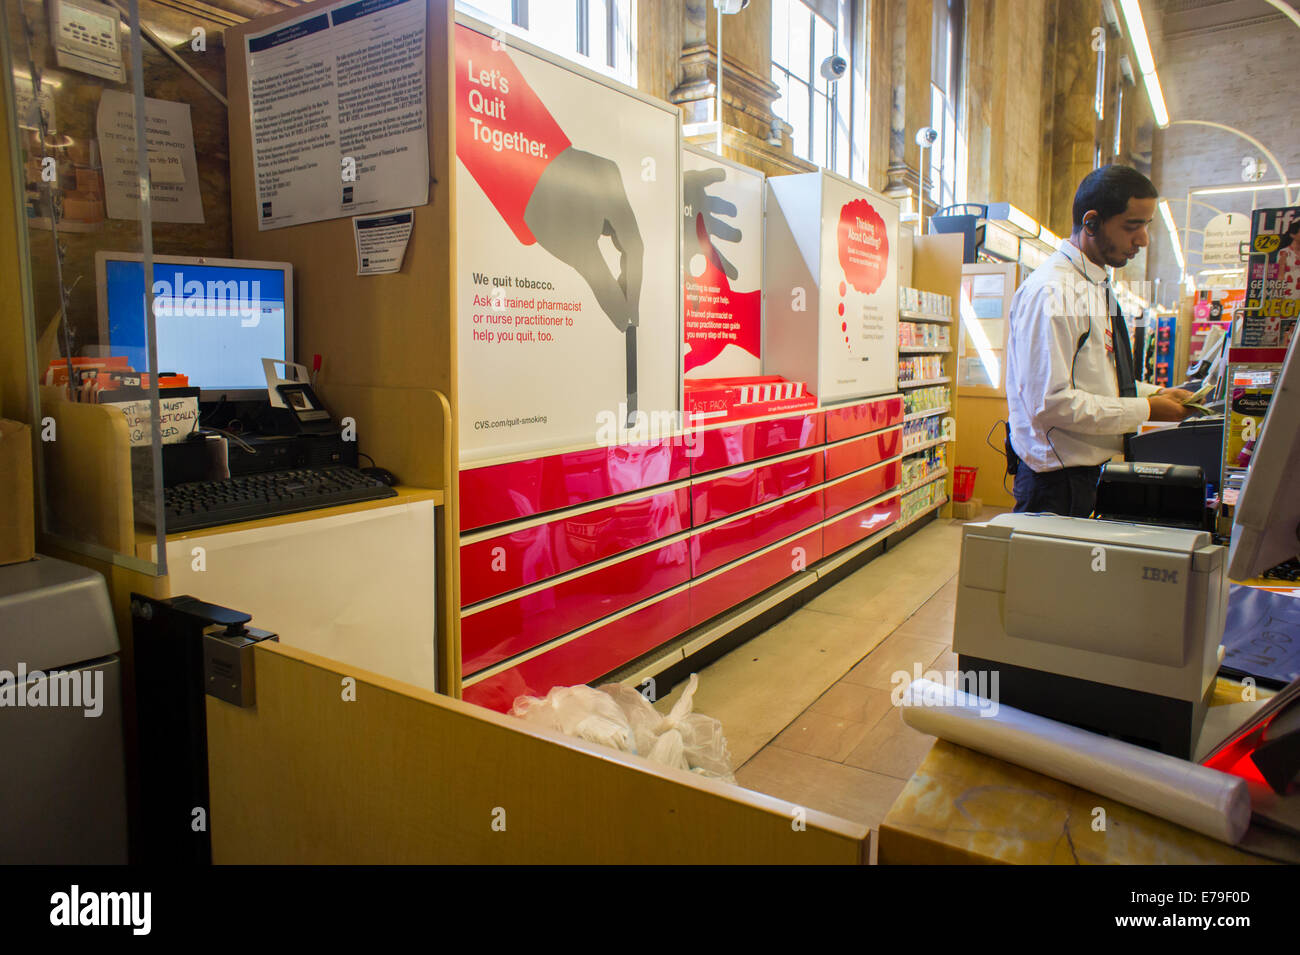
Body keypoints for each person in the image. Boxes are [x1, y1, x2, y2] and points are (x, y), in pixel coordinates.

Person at [1005, 165, 1192, 517]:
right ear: (1091, 222)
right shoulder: (1054, 292)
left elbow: (1095, 378)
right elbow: (1050, 404)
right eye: (1132, 226)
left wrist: (1153, 393)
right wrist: (1148, 411)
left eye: (1146, 226)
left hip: (1085, 477)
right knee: (1053, 573)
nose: (1143, 240)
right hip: (1057, 486)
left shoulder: (1093, 285)